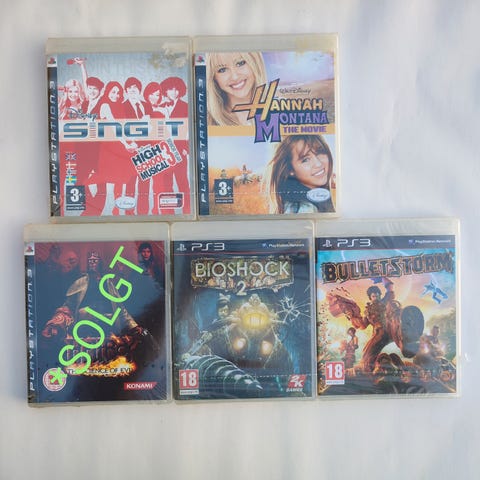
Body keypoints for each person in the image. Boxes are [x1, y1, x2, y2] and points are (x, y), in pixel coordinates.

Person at [264, 134, 335, 214]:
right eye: (305, 160)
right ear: (290, 169)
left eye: (320, 152)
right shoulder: (304, 208)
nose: (318, 164)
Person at [206, 52, 266, 126]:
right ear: (213, 78)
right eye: (222, 70)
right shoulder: (206, 122)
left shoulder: (277, 110)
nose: (235, 77)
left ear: (255, 62)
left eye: (240, 63)